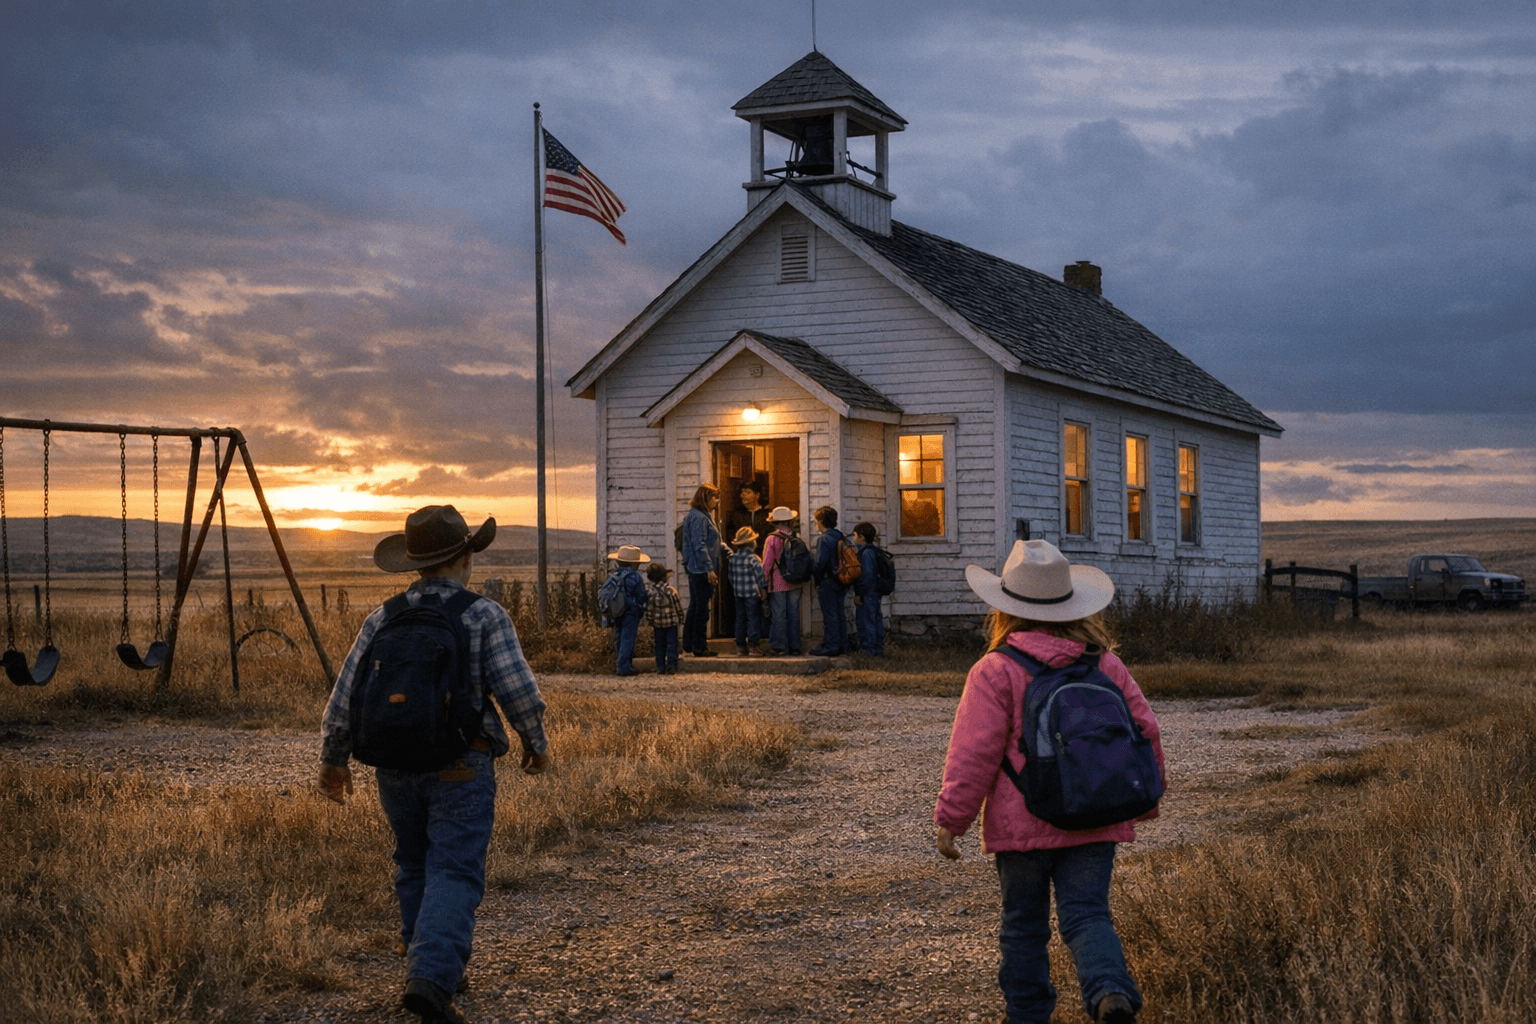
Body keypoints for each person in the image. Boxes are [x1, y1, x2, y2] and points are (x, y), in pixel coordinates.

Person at [317, 505, 551, 1024]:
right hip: (461, 762)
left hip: (393, 766)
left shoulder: (383, 616)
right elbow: (517, 691)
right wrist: (536, 743)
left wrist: (333, 761)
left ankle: (427, 958)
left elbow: (344, 698)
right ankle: (431, 978)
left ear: (415, 565)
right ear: (466, 557)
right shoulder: (483, 614)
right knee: (455, 867)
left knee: (413, 861)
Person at [934, 539, 1163, 1024]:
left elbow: (973, 754)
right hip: (1096, 816)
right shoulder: (1105, 664)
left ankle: (1027, 1014)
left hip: (1023, 825)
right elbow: (1145, 730)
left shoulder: (994, 670)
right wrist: (1143, 799)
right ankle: (1109, 992)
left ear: (1005, 611)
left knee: (1023, 926)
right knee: (1087, 914)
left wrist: (952, 819)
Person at [679, 484, 723, 658]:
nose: (717, 501)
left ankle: (689, 644)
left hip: (697, 568)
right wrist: (709, 569)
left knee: (696, 606)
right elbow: (700, 545)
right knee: (701, 609)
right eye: (714, 497)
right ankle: (699, 646)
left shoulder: (702, 515)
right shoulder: (699, 517)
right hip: (699, 569)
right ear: (705, 497)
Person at [760, 506, 803, 656]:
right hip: (795, 581)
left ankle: (779, 645)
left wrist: (763, 583)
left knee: (779, 614)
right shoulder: (797, 537)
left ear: (775, 522)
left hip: (778, 582)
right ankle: (795, 646)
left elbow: (767, 564)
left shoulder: (771, 539)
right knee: (794, 614)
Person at [603, 545, 650, 677]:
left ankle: (621, 662)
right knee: (628, 638)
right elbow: (641, 595)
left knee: (619, 636)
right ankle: (623, 666)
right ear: (634, 564)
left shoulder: (615, 575)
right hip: (631, 611)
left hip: (616, 610)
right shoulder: (635, 576)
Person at [810, 505, 851, 656]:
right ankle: (842, 644)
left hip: (828, 581)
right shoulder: (840, 536)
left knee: (829, 615)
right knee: (839, 612)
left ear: (820, 521)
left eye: (816, 520)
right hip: (841, 579)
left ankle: (831, 646)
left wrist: (810, 565)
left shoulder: (824, 539)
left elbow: (820, 563)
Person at [726, 526, 767, 656]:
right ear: (752, 543)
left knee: (740, 618)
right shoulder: (753, 558)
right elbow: (760, 575)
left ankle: (740, 646)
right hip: (752, 593)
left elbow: (730, 576)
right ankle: (753, 646)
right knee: (753, 618)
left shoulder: (733, 558)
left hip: (738, 593)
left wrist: (735, 587)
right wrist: (764, 589)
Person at [850, 521, 886, 657]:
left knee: (867, 621)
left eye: (854, 535)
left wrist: (859, 593)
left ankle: (869, 649)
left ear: (861, 537)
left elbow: (867, 576)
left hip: (868, 593)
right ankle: (877, 648)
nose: (853, 539)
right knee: (875, 619)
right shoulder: (873, 551)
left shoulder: (866, 553)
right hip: (874, 592)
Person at [645, 562, 683, 675]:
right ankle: (671, 665)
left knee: (659, 645)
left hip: (658, 624)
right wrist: (681, 618)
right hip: (671, 623)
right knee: (672, 644)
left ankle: (660, 667)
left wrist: (650, 620)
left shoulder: (651, 592)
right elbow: (677, 607)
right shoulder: (671, 591)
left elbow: (649, 609)